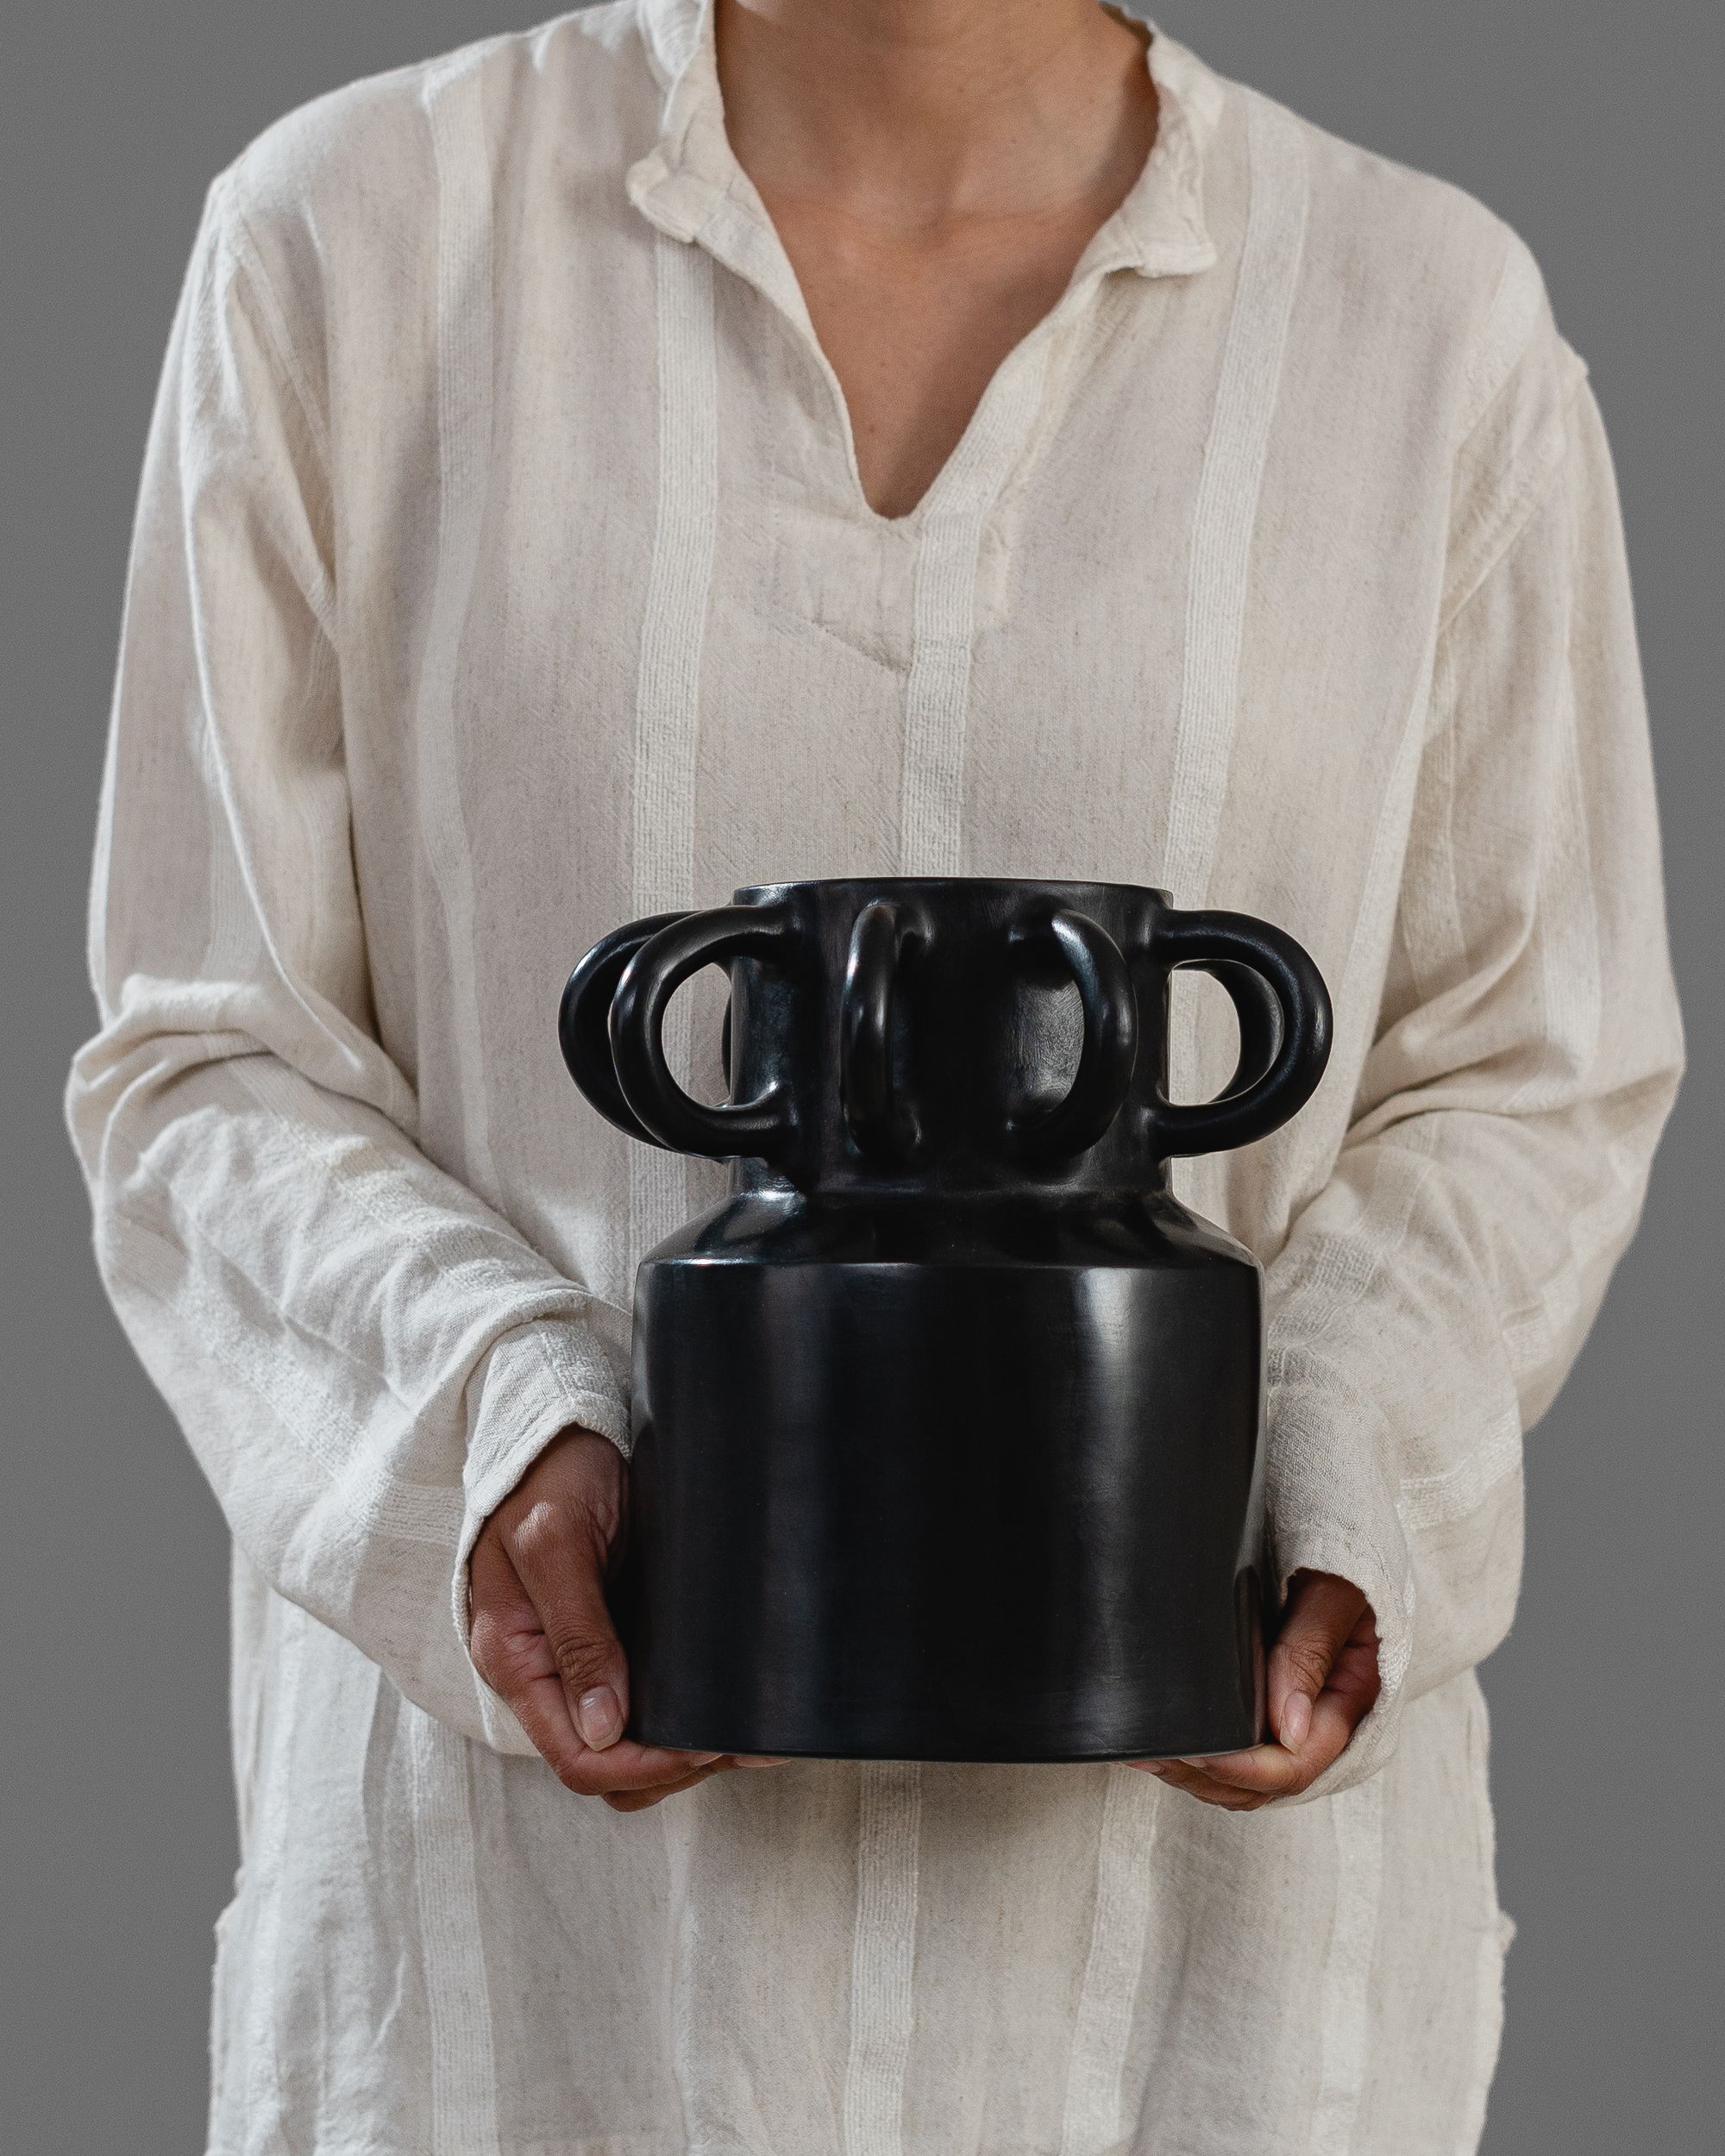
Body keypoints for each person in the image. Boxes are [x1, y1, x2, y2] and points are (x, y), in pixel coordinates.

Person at [66, 0, 1680, 2149]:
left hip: (1206, 2017)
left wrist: (1329, 1466)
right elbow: (209, 1048)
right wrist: (503, 1421)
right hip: (521, 1998)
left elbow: (1525, 1067)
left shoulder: (1425, 324)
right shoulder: (349, 241)